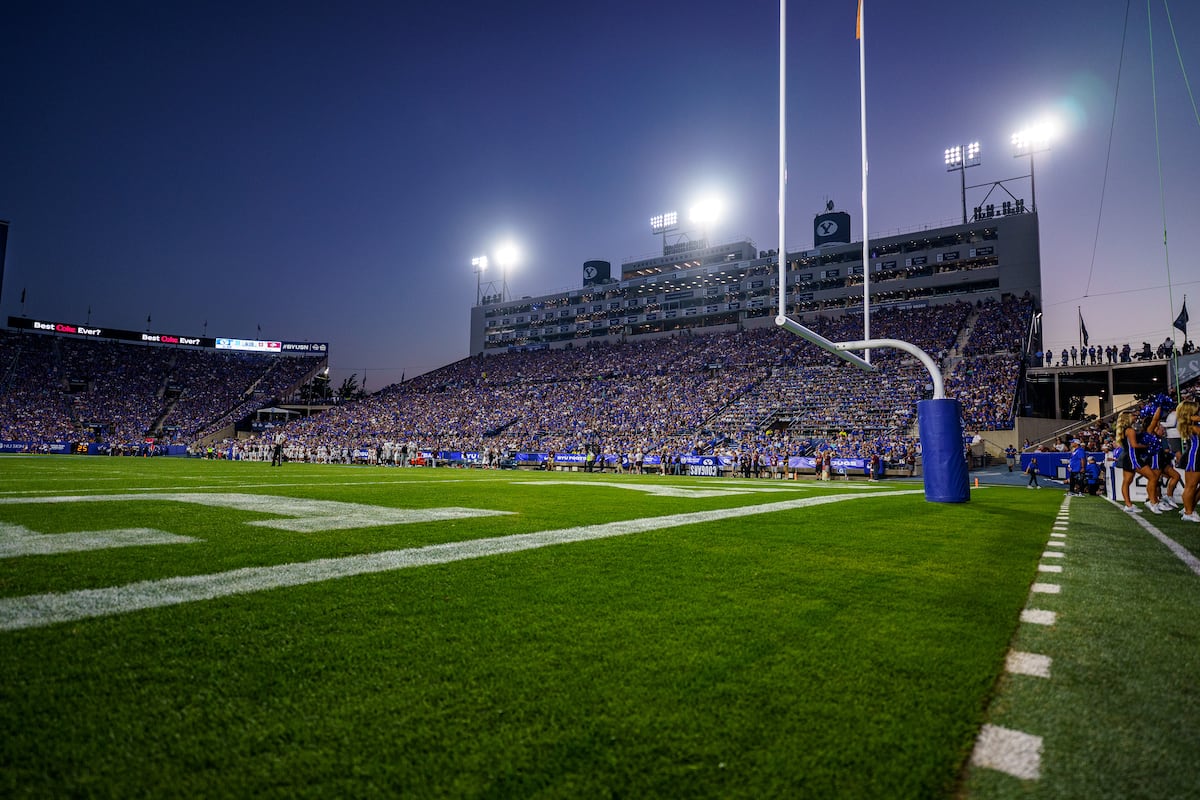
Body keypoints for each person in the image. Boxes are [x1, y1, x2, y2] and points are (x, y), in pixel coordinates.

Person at [1115, 408, 1162, 513]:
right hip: (1133, 459)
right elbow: (1134, 445)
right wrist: (1147, 446)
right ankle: (1152, 502)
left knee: (1127, 482)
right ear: (1127, 418)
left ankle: (1128, 505)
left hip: (1128, 458)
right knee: (1153, 477)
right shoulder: (1130, 430)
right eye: (1133, 416)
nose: (1135, 417)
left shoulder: (1124, 430)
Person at [1176, 400, 1199, 523]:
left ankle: (1189, 507)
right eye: (1196, 411)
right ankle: (1188, 513)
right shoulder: (1192, 426)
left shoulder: (1194, 424)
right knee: (1191, 486)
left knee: (1193, 486)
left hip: (1197, 455)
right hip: (1195, 456)